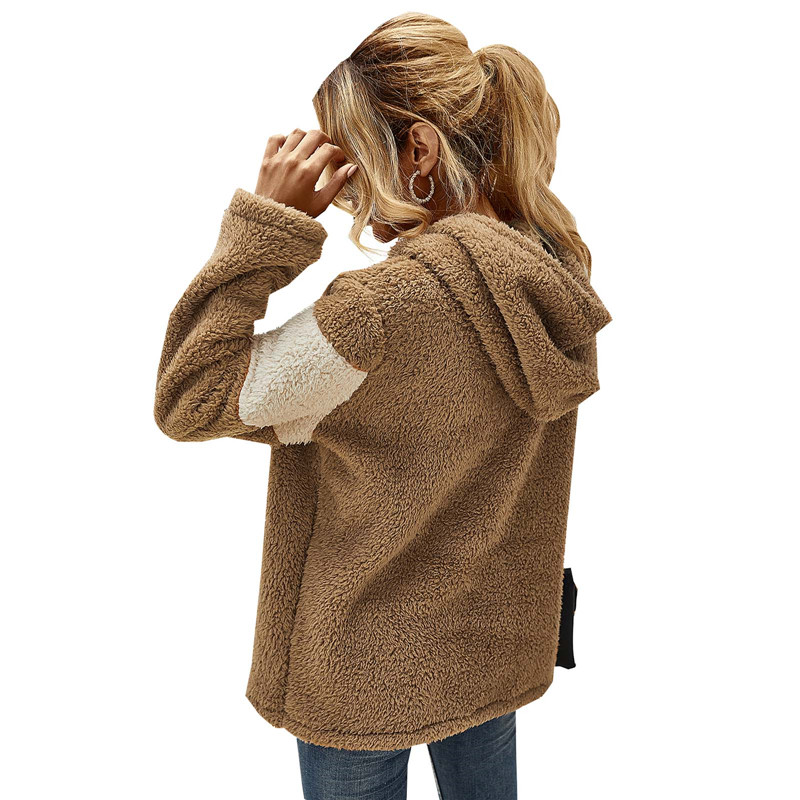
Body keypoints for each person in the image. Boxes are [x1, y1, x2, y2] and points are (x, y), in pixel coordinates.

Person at [153, 12, 611, 800]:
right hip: (490, 642)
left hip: (361, 674)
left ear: (420, 150)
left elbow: (190, 397)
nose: (342, 188)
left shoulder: (377, 313)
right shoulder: (547, 271)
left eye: (353, 153)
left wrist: (270, 226)